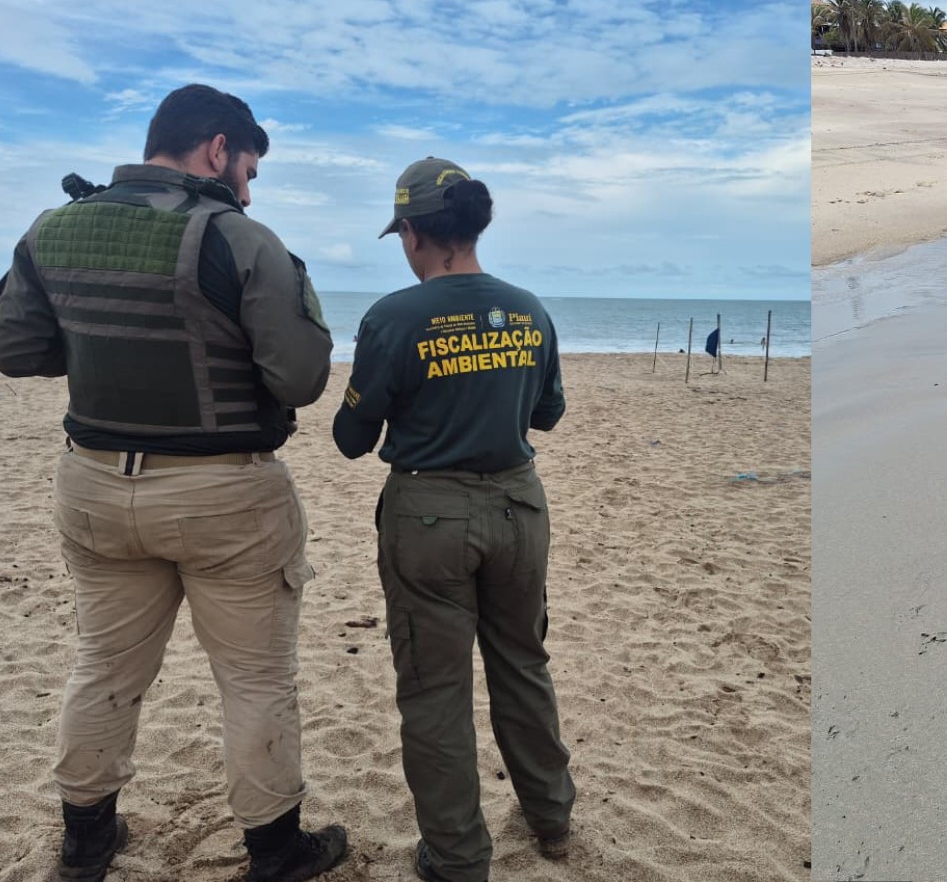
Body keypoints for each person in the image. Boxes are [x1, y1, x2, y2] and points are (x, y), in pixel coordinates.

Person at [0, 84, 347, 882]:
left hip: (92, 486)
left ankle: (86, 840)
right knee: (256, 679)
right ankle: (274, 851)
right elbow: (298, 379)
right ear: (218, 150)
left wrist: (101, 349)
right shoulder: (237, 235)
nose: (250, 190)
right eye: (248, 169)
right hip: (223, 494)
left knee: (103, 665)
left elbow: (16, 349)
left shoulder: (51, 228)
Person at [332, 158, 574, 881]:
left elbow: (351, 439)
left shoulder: (392, 317)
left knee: (435, 688)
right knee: (524, 664)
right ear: (474, 226)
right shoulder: (528, 307)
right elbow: (548, 414)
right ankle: (551, 816)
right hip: (518, 505)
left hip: (429, 513)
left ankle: (458, 856)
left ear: (413, 232)